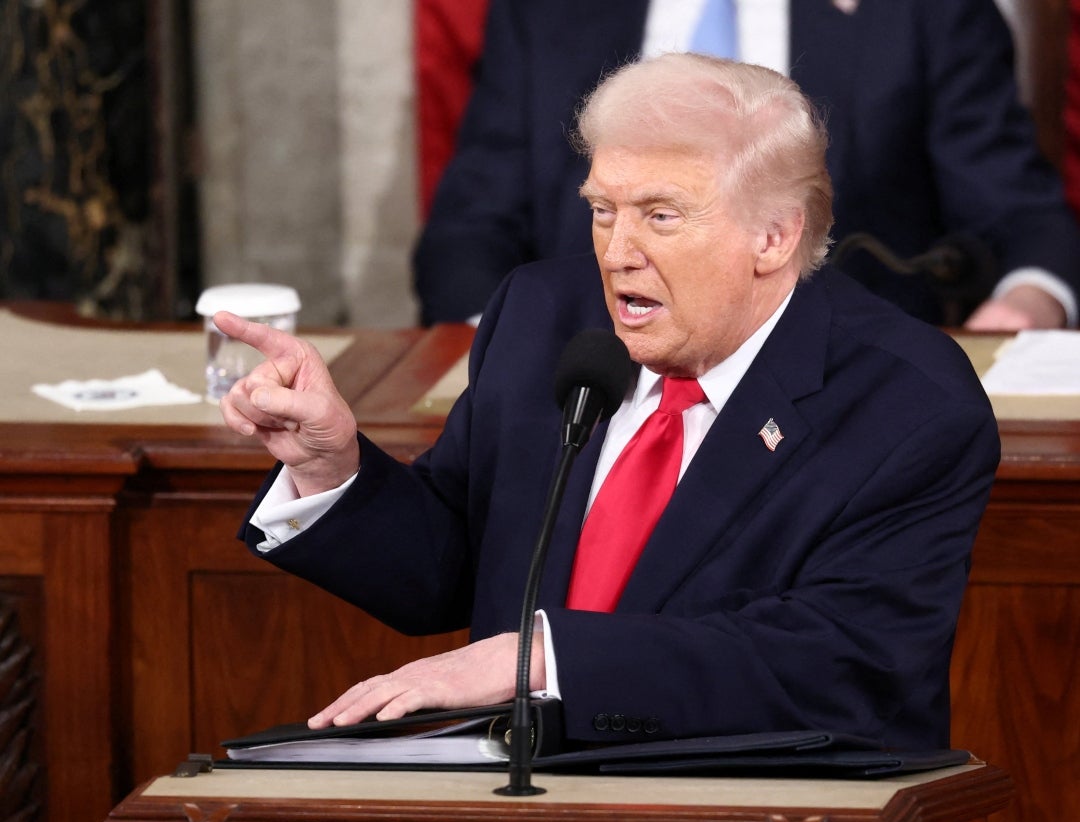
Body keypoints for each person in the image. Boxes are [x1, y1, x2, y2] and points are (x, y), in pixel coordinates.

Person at [217, 54, 999, 752]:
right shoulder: (542, 317)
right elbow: (453, 563)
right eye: (602, 209)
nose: (618, 252)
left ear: (774, 236)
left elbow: (839, 665)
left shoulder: (907, 402)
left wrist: (543, 659)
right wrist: (332, 468)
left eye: (661, 216)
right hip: (516, 801)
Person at [413, 0, 1080, 330]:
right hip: (593, 381)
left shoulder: (924, 12)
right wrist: (507, 349)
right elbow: (468, 230)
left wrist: (1026, 307)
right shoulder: (546, 11)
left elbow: (1022, 216)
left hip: (841, 395)